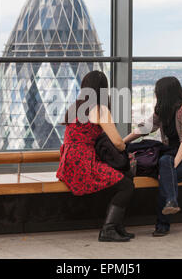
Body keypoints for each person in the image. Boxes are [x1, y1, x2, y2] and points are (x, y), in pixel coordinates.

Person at [123, 76, 182, 236]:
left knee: (166, 174)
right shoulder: (162, 109)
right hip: (169, 157)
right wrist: (122, 142)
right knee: (164, 165)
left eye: (157, 92)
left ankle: (163, 224)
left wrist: (173, 164)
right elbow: (145, 128)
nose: (156, 95)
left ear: (165, 93)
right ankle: (170, 204)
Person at [57, 70, 135, 242]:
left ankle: (117, 226)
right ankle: (108, 229)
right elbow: (117, 142)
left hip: (68, 163)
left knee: (125, 179)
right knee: (127, 185)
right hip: (84, 163)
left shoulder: (75, 108)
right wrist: (124, 149)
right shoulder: (99, 109)